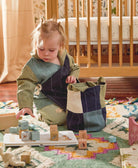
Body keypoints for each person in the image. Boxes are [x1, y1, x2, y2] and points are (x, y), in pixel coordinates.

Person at [16, 18, 80, 125]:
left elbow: (74, 68)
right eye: (41, 49)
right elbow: (24, 86)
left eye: (51, 50)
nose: (46, 53)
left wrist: (73, 76)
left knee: (83, 111)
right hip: (45, 100)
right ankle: (41, 114)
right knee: (59, 119)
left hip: (64, 96)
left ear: (60, 46)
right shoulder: (33, 66)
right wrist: (25, 106)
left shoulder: (64, 56)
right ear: (36, 44)